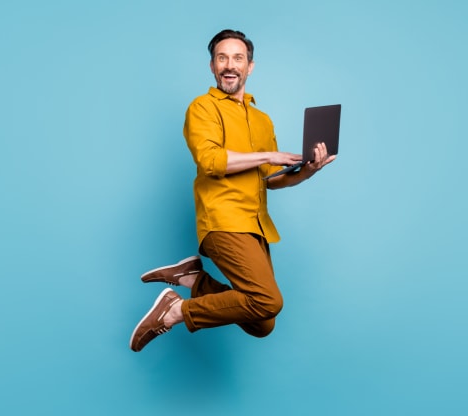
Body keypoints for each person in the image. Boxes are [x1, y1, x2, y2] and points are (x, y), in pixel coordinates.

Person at [130, 29, 336, 352]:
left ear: (250, 66)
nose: (230, 65)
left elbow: (270, 178)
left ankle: (194, 280)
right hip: (221, 219)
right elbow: (210, 160)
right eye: (222, 58)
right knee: (268, 299)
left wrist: (307, 172)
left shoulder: (262, 120)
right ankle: (173, 310)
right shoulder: (202, 108)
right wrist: (269, 155)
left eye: (238, 58)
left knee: (262, 321)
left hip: (257, 225)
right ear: (212, 66)